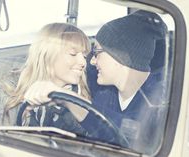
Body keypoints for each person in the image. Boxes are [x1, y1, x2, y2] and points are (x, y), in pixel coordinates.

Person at [23, 10, 168, 152]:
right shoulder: (101, 85)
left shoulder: (163, 101)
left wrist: (68, 99)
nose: (90, 62)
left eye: (97, 53)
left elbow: (136, 137)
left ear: (120, 56)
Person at [0, 23, 91, 128]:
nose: (83, 62)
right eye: (73, 54)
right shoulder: (10, 85)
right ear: (47, 55)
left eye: (84, 56)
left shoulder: (81, 99)